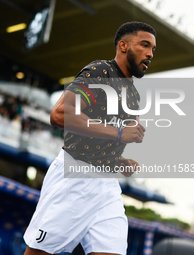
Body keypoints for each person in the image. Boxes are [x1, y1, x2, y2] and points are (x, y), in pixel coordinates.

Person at [23, 21, 156, 255]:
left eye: (153, 49)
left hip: (107, 186)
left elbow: (99, 137)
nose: (150, 53)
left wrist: (119, 160)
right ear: (123, 46)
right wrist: (119, 132)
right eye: (145, 45)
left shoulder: (133, 95)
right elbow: (59, 114)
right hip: (75, 175)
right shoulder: (100, 72)